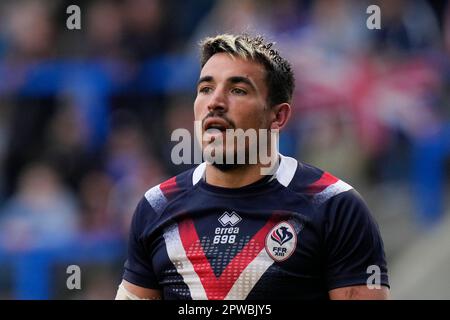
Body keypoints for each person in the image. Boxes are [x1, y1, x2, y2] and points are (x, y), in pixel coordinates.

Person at [115, 34, 390, 300]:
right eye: (206, 88)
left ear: (278, 116)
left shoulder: (334, 206)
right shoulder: (157, 206)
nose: (215, 102)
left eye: (237, 90)